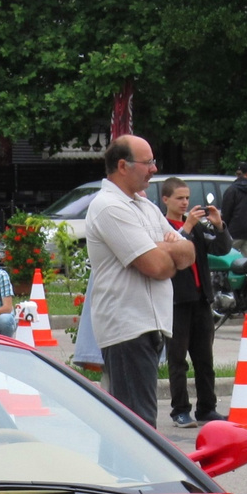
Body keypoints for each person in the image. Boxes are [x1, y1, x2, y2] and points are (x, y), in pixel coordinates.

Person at [83, 135, 195, 426]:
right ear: (123, 166)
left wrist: (163, 248)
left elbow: (189, 252)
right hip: (127, 327)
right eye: (148, 163)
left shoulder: (144, 206)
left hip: (148, 325)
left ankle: (120, 471)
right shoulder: (109, 207)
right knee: (139, 426)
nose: (154, 169)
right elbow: (156, 266)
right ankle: (134, 475)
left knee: (130, 425)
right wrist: (166, 251)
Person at [160, 176, 231, 426]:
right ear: (165, 199)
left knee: (204, 359)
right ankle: (180, 409)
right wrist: (186, 227)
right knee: (177, 359)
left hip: (201, 300)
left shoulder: (198, 228)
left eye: (187, 198)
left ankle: (207, 408)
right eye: (179, 198)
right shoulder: (163, 228)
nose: (185, 203)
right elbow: (168, 250)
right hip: (177, 302)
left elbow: (221, 250)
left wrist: (219, 226)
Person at [221, 161, 247, 258]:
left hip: (234, 231)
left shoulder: (231, 190)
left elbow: (226, 212)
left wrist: (224, 229)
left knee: (229, 259)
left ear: (237, 174)